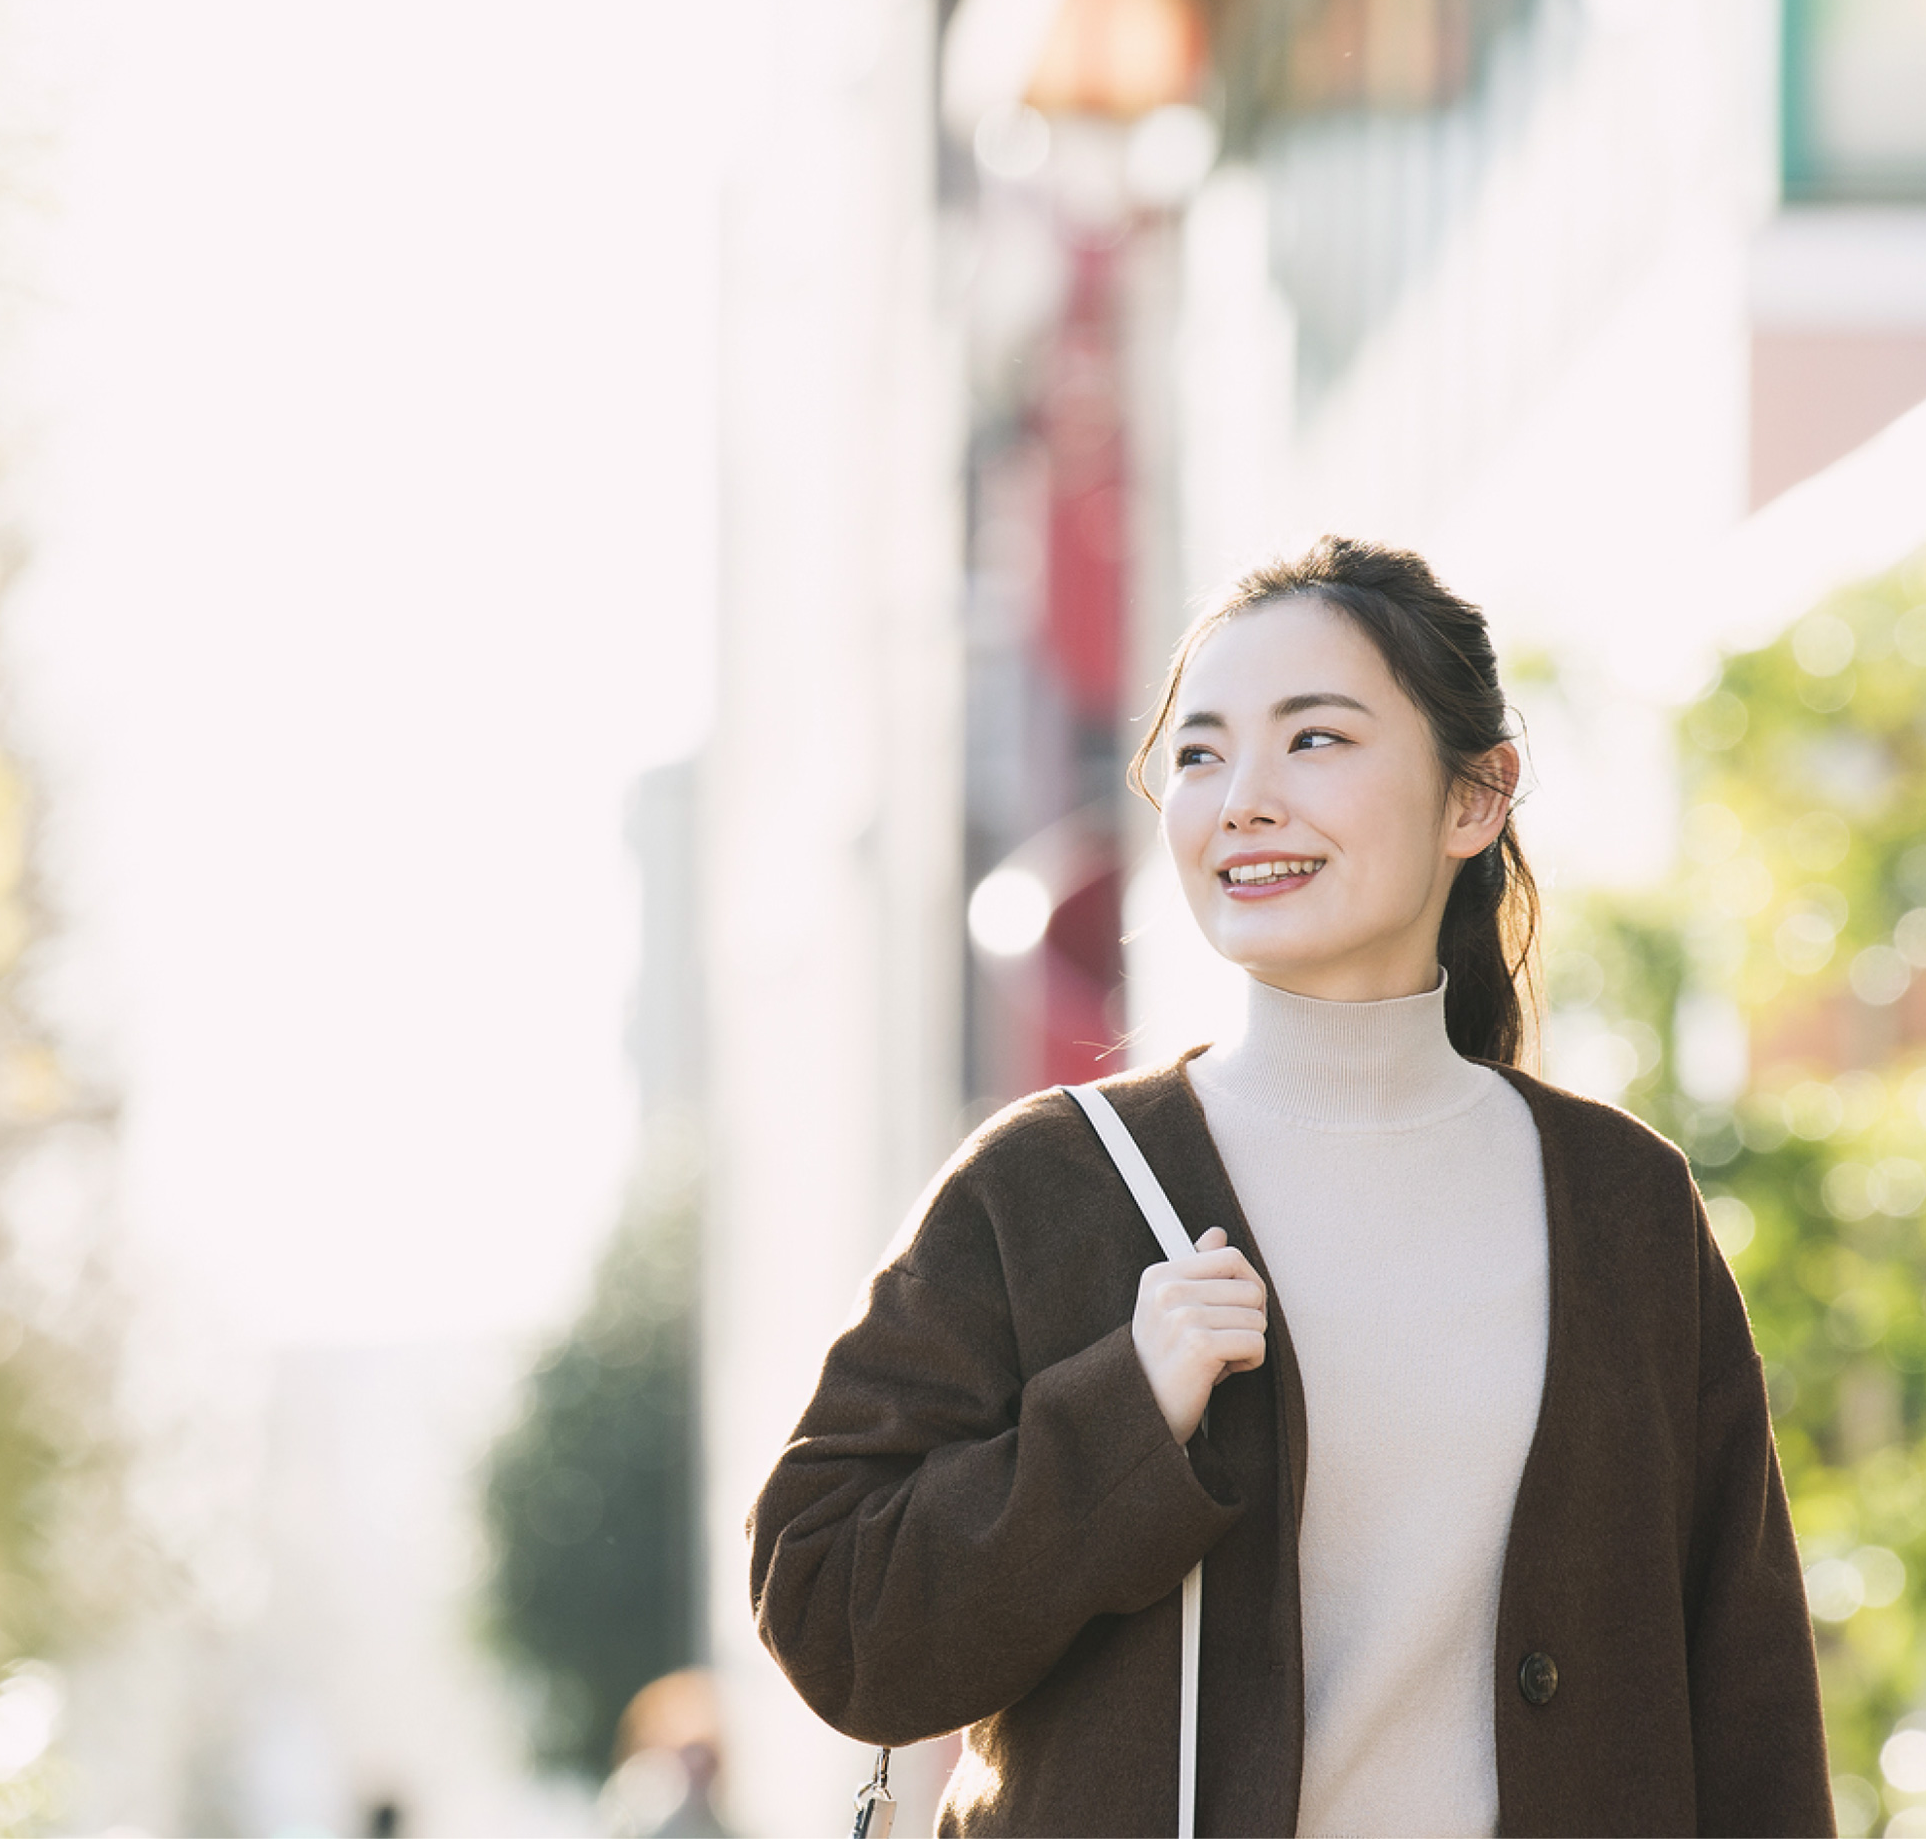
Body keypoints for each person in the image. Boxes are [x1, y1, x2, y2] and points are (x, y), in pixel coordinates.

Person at [748, 539, 1830, 1836]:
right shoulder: (1053, 1181)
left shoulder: (1620, 1202)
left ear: (1476, 797)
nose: (1243, 799)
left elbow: (1749, 1692)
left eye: (1314, 739)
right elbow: (830, 1609)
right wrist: (1119, 1421)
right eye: (1200, 754)